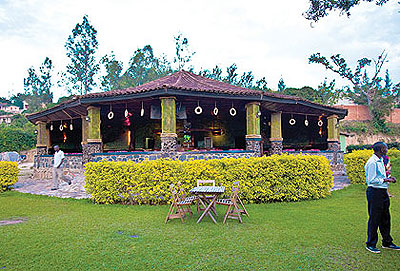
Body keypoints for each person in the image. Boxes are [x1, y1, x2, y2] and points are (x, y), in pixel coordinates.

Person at [365, 142, 400, 253]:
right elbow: (371, 180)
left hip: (383, 191)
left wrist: (389, 177)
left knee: (385, 218)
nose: (387, 149)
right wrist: (386, 180)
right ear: (381, 149)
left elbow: (381, 176)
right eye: (385, 148)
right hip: (374, 192)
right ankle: (370, 244)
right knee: (374, 218)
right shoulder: (372, 162)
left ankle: (387, 242)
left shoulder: (381, 161)